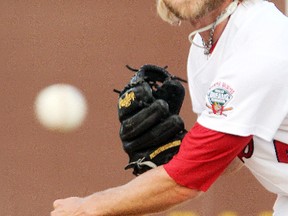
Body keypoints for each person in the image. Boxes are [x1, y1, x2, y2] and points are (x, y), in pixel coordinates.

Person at [51, 0, 288, 215]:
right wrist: (178, 155)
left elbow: (187, 178)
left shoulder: (261, 42)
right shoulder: (203, 47)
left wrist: (90, 207)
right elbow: (227, 155)